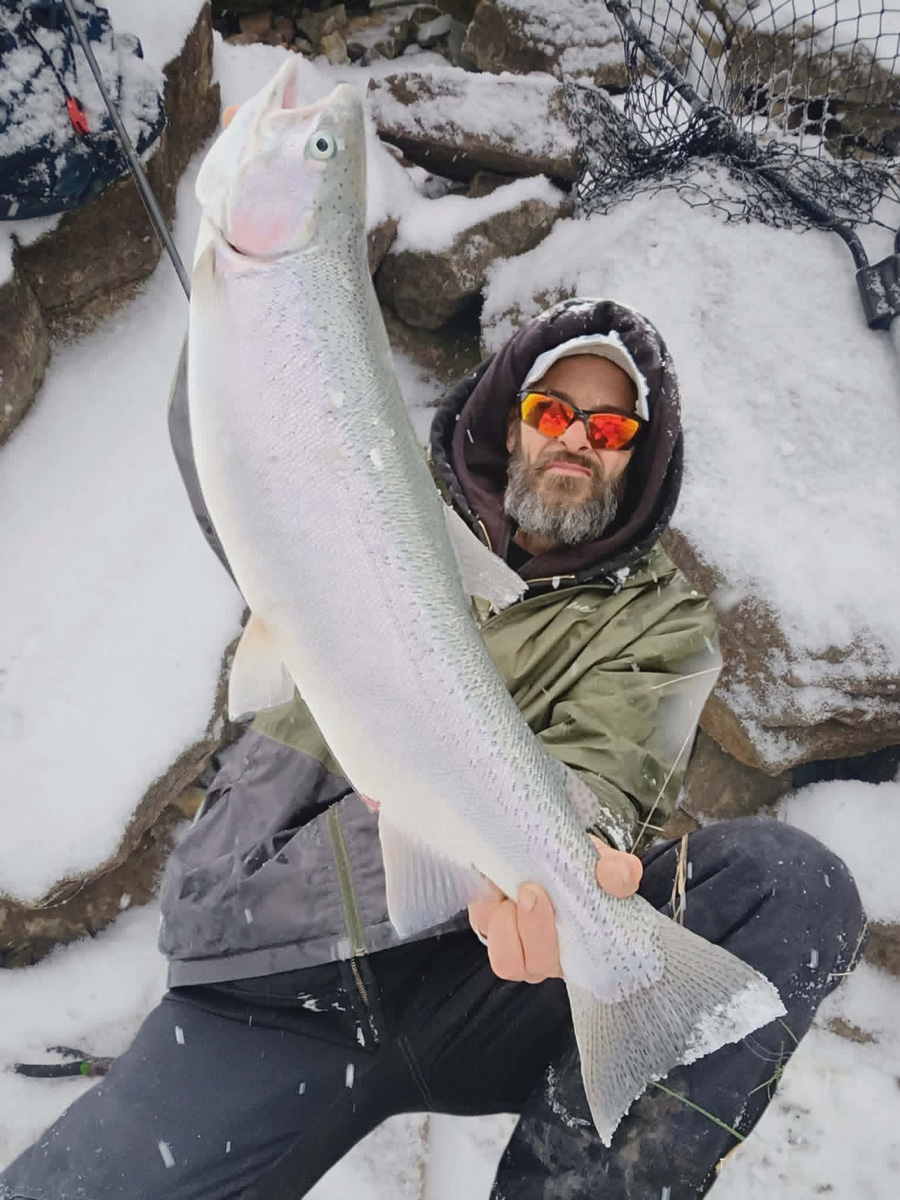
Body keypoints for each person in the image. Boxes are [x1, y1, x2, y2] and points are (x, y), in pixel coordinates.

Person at [0, 296, 865, 1200]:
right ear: (510, 415)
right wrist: (238, 305)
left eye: (608, 427)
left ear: (639, 457)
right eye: (552, 412)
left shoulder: (665, 622)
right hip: (262, 982)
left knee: (791, 886)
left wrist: (560, 880)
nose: (576, 439)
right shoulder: (374, 489)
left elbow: (605, 780)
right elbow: (229, 443)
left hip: (482, 980)